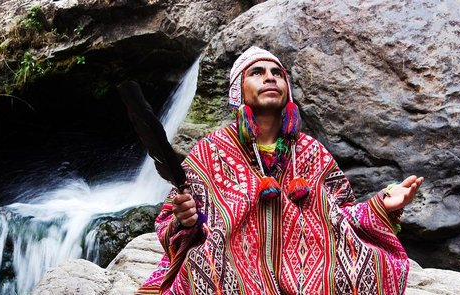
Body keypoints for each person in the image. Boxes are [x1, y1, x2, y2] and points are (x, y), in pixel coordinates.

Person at [138, 46, 424, 294]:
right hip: (236, 262)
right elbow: (171, 220)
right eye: (257, 72)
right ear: (238, 90)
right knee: (203, 270)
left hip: (307, 262)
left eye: (277, 73)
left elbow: (341, 214)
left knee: (369, 267)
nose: (269, 77)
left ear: (287, 90)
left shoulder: (311, 151)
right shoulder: (211, 150)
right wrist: (186, 219)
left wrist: (383, 205)